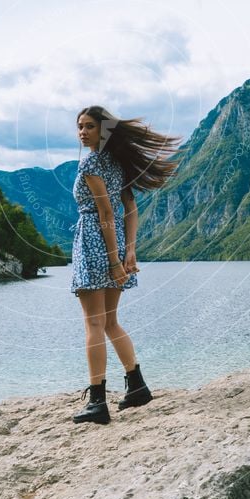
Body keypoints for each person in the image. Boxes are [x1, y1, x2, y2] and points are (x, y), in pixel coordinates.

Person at [71, 105, 183, 424]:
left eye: (89, 126)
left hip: (96, 241)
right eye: (79, 126)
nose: (82, 131)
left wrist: (115, 260)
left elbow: (107, 214)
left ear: (103, 130)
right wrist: (129, 252)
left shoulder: (92, 162)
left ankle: (97, 402)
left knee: (94, 324)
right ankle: (136, 386)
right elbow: (129, 210)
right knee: (109, 322)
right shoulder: (116, 163)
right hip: (114, 241)